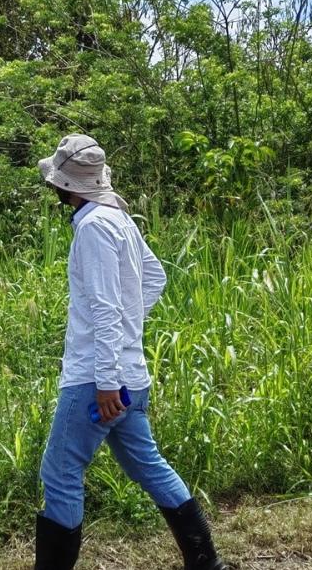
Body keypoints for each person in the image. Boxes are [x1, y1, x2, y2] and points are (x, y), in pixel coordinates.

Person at [33, 134, 225, 570]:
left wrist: (105, 379)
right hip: (130, 379)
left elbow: (104, 306)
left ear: (66, 184)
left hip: (98, 383)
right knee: (149, 466)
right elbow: (154, 279)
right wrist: (127, 333)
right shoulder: (117, 217)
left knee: (60, 474)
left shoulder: (92, 225)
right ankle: (205, 563)